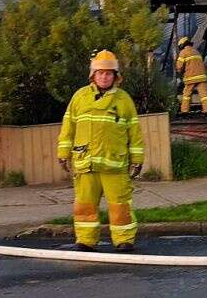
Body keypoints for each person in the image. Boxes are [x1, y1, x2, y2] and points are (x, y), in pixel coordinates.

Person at [57, 50, 146, 252]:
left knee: (120, 206)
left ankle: (124, 240)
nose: (104, 77)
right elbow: (68, 127)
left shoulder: (123, 100)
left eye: (108, 73)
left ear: (115, 76)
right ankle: (86, 240)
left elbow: (135, 132)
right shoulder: (80, 97)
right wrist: (63, 153)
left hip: (114, 164)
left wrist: (137, 159)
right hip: (85, 163)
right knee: (85, 206)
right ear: (93, 75)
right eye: (100, 73)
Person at [174, 37, 207, 114]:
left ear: (182, 45)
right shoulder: (196, 51)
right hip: (202, 77)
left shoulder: (183, 52)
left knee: (186, 95)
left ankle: (184, 111)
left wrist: (179, 72)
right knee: (204, 95)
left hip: (191, 77)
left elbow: (179, 67)